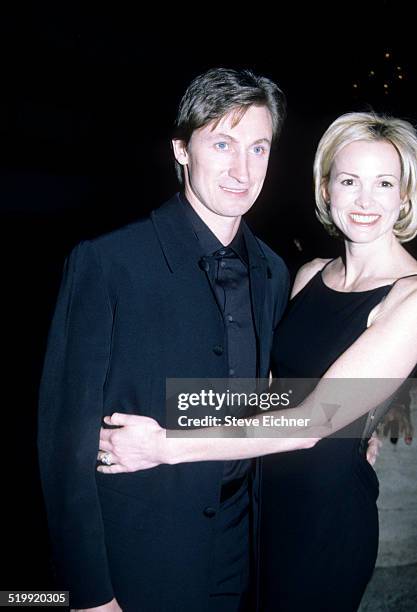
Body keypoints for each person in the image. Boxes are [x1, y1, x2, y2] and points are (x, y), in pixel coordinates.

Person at [97, 111, 417, 612]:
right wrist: (160, 405)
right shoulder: (310, 274)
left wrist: (163, 444)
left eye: (384, 183)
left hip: (324, 519)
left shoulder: (411, 296)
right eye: (350, 180)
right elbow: (268, 392)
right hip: (261, 498)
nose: (365, 200)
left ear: (405, 195)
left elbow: (315, 419)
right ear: (326, 187)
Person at [38, 67, 301, 612]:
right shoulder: (109, 262)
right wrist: (90, 594)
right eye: (222, 143)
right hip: (135, 558)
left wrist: (359, 423)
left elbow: (264, 400)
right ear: (182, 149)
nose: (242, 169)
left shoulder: (273, 271)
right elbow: (63, 444)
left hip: (242, 551)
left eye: (258, 147)